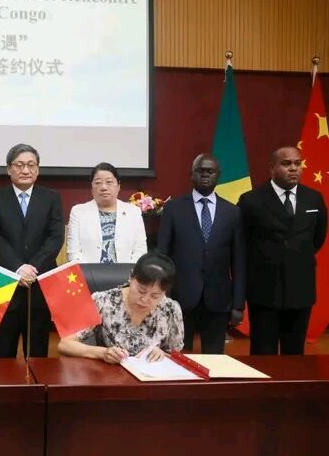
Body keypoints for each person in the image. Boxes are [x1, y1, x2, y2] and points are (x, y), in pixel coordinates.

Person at [238, 146, 327, 355]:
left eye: (297, 163)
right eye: (286, 164)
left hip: (300, 290)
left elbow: (317, 239)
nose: (293, 168)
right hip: (264, 292)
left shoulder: (314, 198)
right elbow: (243, 243)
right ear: (272, 168)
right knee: (263, 355)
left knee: (295, 355)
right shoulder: (251, 200)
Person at [157, 154, 245, 353]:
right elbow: (163, 255)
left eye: (210, 171)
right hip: (181, 298)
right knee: (179, 356)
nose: (205, 175)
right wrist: (162, 296)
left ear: (218, 175)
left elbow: (239, 261)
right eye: (200, 171)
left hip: (219, 300)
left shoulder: (232, 212)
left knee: (215, 360)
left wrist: (238, 304)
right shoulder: (173, 208)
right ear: (191, 174)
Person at [0, 144, 64, 358]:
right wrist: (18, 268)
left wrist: (32, 268)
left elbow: (55, 237)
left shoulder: (51, 198)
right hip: (6, 281)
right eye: (19, 165)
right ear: (9, 169)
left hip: (40, 281)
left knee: (38, 351)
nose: (25, 170)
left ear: (37, 169)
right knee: (3, 350)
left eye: (31, 165)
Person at [57, 252, 184, 363]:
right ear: (131, 277)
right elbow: (65, 344)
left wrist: (162, 354)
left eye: (155, 296)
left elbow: (175, 355)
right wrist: (103, 353)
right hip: (110, 376)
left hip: (150, 378)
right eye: (141, 290)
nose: (145, 300)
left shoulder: (170, 309)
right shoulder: (103, 301)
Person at [67, 162, 147, 263]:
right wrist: (87, 272)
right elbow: (73, 252)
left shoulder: (133, 212)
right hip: (88, 271)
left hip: (127, 271)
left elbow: (140, 251)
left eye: (109, 182)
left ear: (118, 186)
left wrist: (130, 271)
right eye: (98, 183)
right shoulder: (78, 212)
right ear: (91, 188)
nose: (104, 187)